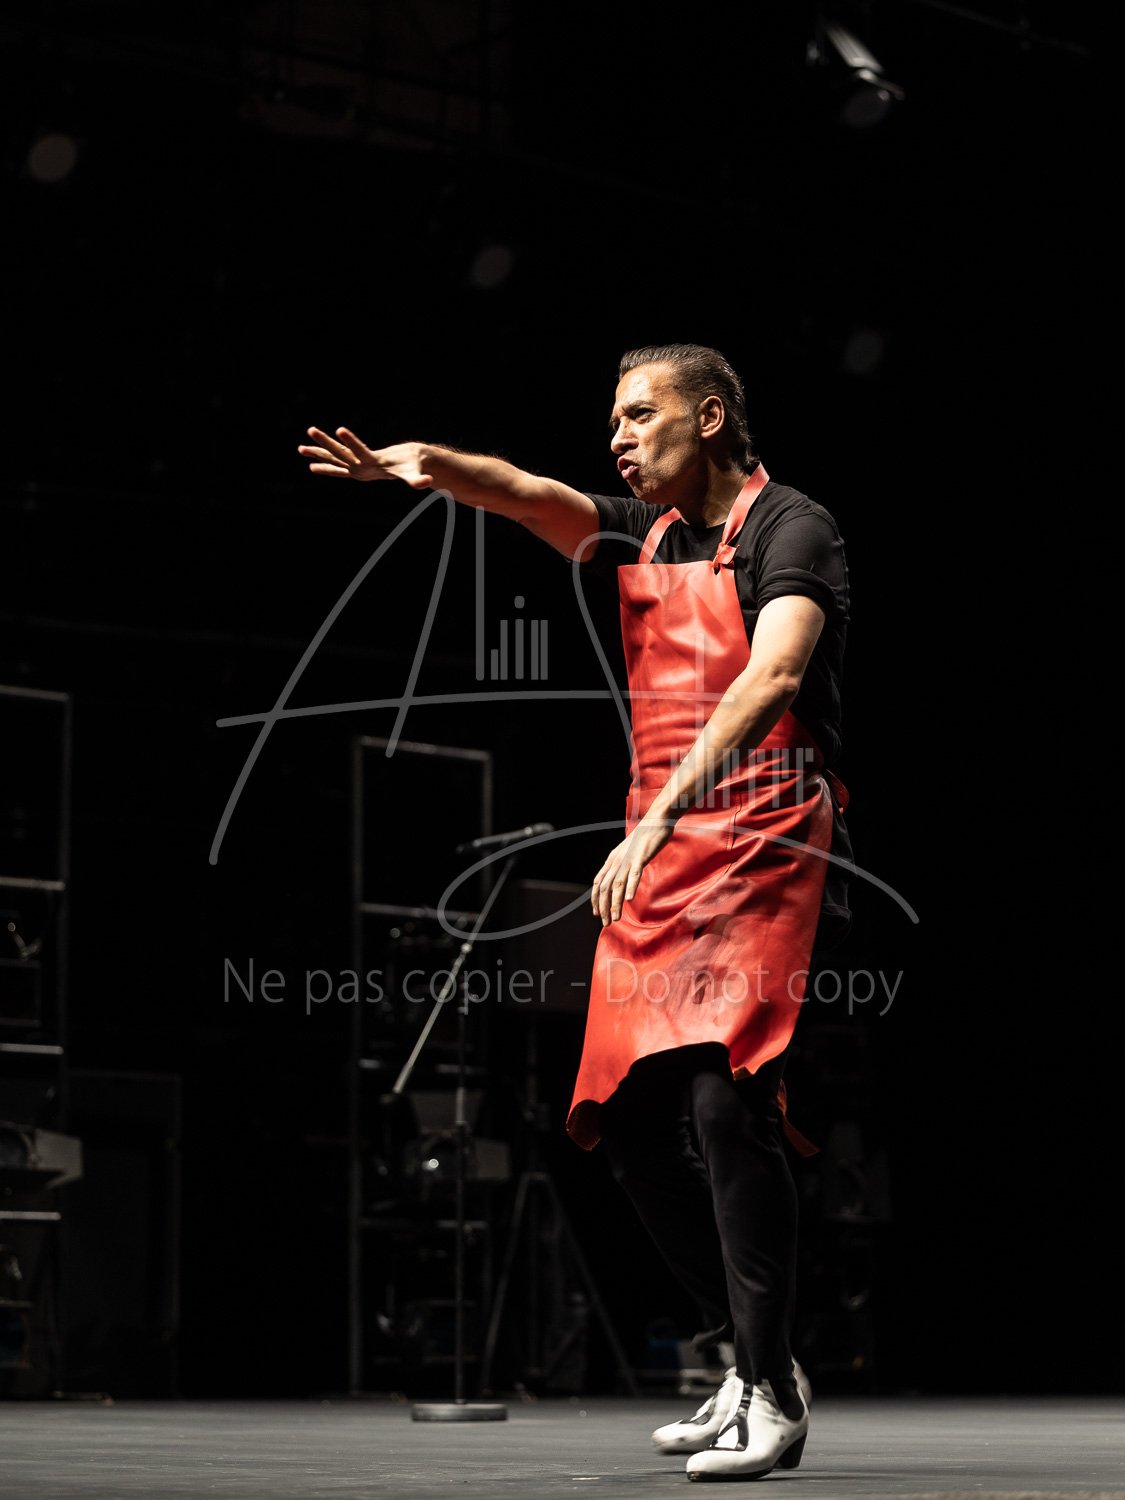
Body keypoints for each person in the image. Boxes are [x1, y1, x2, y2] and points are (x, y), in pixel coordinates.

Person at [299, 343, 851, 1481]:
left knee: (725, 1104)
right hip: (663, 845)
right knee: (628, 1120)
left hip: (765, 835)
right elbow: (525, 492)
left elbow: (774, 678)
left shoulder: (791, 528)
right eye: (612, 419)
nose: (617, 436)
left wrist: (655, 822)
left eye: (639, 414)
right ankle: (756, 1360)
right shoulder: (641, 533)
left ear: (709, 417)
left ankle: (769, 1397)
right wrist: (427, 463)